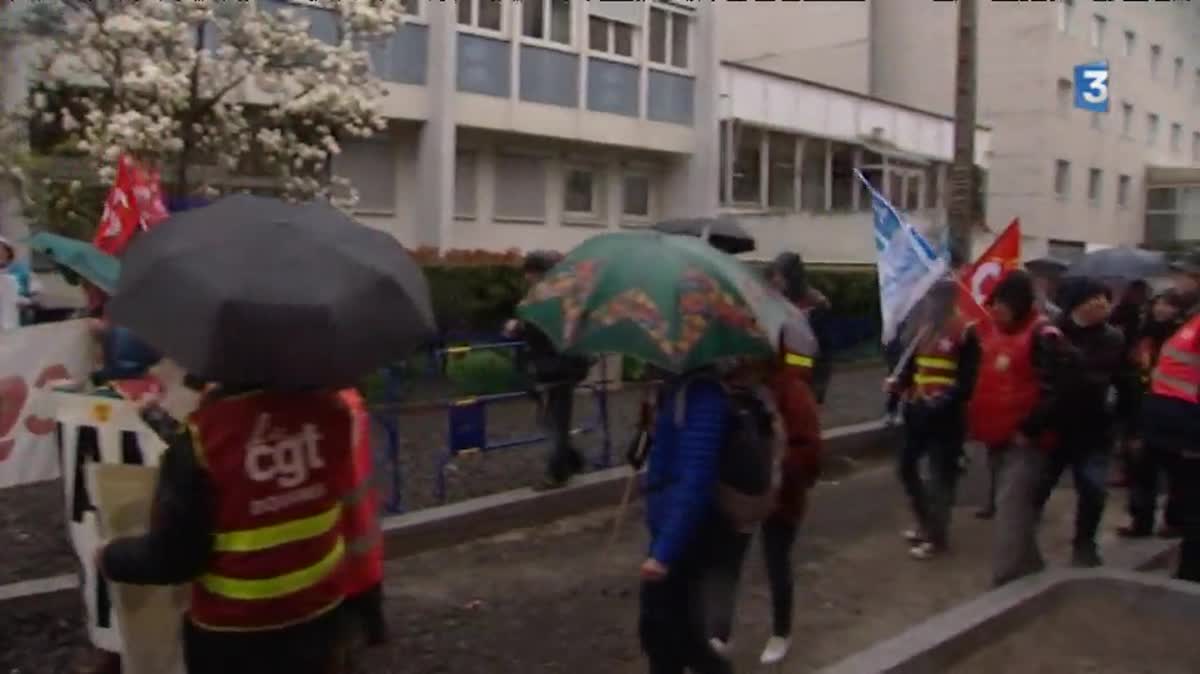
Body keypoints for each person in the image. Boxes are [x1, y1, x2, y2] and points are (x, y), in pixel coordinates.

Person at [96, 384, 356, 674]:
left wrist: (111, 557)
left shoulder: (201, 437)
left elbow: (173, 558)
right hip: (321, 612)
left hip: (233, 630)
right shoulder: (333, 411)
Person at [708, 322, 822, 666]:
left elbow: (811, 451)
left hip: (781, 494)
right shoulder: (735, 388)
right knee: (728, 562)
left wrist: (779, 471)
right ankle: (719, 632)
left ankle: (781, 631)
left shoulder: (790, 389)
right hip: (742, 493)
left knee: (776, 561)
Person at [639, 367, 737, 674]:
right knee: (670, 633)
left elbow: (695, 479)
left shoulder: (703, 395)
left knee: (668, 633)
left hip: (686, 531)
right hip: (672, 525)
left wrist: (664, 553)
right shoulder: (676, 389)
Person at [969, 271, 1063, 586]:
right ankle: (1031, 569)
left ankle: (1006, 580)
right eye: (993, 303)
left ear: (1020, 304)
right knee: (1014, 507)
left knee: (1010, 509)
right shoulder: (993, 333)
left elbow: (1056, 391)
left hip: (1025, 440)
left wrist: (1030, 428)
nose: (996, 310)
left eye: (1002, 304)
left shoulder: (1044, 336)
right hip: (996, 435)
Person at [1030, 278, 1133, 568]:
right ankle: (1022, 544)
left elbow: (1104, 380)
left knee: (1093, 490)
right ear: (1076, 304)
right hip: (1054, 428)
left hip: (1094, 429)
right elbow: (1044, 380)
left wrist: (1129, 425)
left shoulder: (1113, 338)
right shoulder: (1051, 333)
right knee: (1036, 489)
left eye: (1104, 298)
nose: (1101, 303)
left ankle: (1084, 545)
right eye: (1094, 298)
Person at [889, 279, 981, 560]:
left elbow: (967, 382)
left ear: (948, 299)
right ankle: (924, 520)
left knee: (941, 477)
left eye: (934, 298)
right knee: (906, 467)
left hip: (946, 417)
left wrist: (942, 401)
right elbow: (914, 366)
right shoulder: (924, 330)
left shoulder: (965, 332)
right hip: (917, 410)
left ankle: (937, 537)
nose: (929, 303)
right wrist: (898, 384)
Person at [504, 251, 592, 489]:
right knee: (553, 420)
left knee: (554, 422)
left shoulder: (546, 298)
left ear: (536, 273)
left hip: (554, 368)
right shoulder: (567, 294)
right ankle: (571, 460)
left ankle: (558, 473)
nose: (527, 279)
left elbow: (540, 331)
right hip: (565, 366)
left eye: (529, 273)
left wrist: (517, 327)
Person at [1140, 250, 1200, 582]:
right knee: (1184, 502)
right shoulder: (1189, 319)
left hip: (1191, 430)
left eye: (1184, 276)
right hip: (1174, 428)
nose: (1177, 282)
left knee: (1194, 508)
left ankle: (1190, 578)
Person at [1119, 290, 1187, 539]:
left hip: (1174, 413)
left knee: (1176, 474)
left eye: (1168, 304)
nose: (1161, 308)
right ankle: (1141, 522)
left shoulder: (1182, 336)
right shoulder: (1144, 334)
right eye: (1158, 303)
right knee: (1141, 470)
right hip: (1142, 407)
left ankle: (1174, 521)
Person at [338, 388, 387, 651]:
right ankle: (374, 630)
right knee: (366, 577)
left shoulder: (323, 411)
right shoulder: (351, 402)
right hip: (363, 528)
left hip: (335, 537)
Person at [768, 252, 834, 403]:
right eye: (775, 274)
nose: (776, 279)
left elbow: (821, 352)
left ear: (792, 276)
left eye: (780, 275)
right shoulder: (775, 301)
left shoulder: (815, 304)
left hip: (805, 376)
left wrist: (784, 360)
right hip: (781, 378)